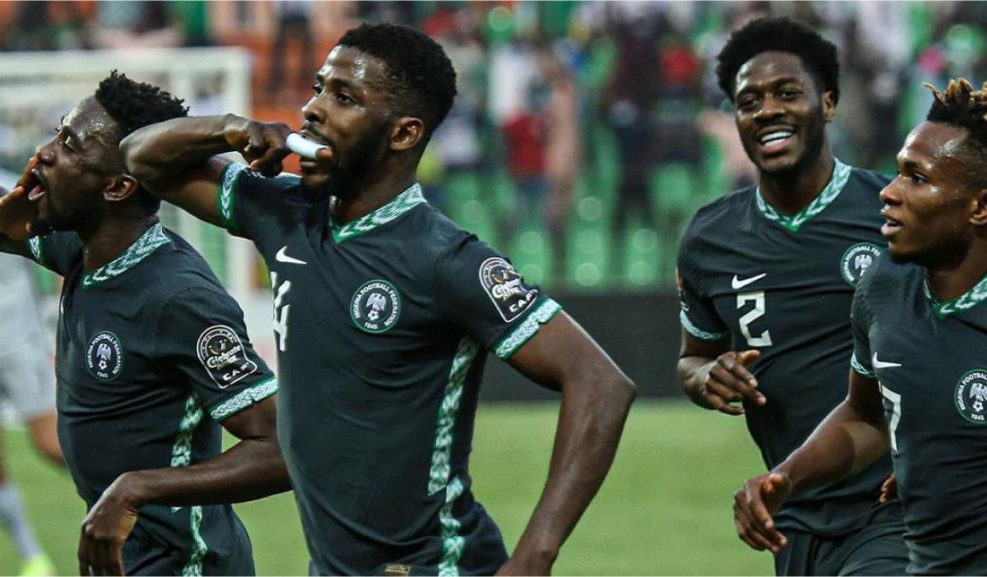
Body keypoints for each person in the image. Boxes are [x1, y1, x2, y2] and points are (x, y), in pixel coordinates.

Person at [121, 22, 636, 576]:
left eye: (344, 97)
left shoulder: (444, 258)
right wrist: (228, 128)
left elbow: (601, 382)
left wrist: (534, 557)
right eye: (319, 87)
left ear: (403, 133)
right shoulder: (284, 212)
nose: (314, 108)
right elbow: (141, 158)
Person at [0, 72, 290, 576]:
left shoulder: (177, 297)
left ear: (117, 186)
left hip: (186, 567)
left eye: (70, 145)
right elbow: (10, 229)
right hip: (125, 561)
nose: (44, 153)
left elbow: (283, 448)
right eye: (56, 132)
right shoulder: (80, 250)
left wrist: (137, 489)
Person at [734, 78, 987, 576]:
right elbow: (866, 415)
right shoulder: (884, 287)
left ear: (982, 207)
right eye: (897, 173)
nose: (888, 192)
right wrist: (786, 477)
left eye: (917, 178)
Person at [675, 17, 907, 575]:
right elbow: (691, 358)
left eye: (787, 93)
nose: (768, 110)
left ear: (827, 104)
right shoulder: (710, 240)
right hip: (791, 515)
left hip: (899, 505)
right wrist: (707, 377)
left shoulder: (894, 212)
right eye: (748, 100)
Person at [0, 252, 62, 576]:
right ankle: (33, 559)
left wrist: (67, 318)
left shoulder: (12, 198)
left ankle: (136, 504)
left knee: (53, 446)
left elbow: (63, 242)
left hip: (20, 340)